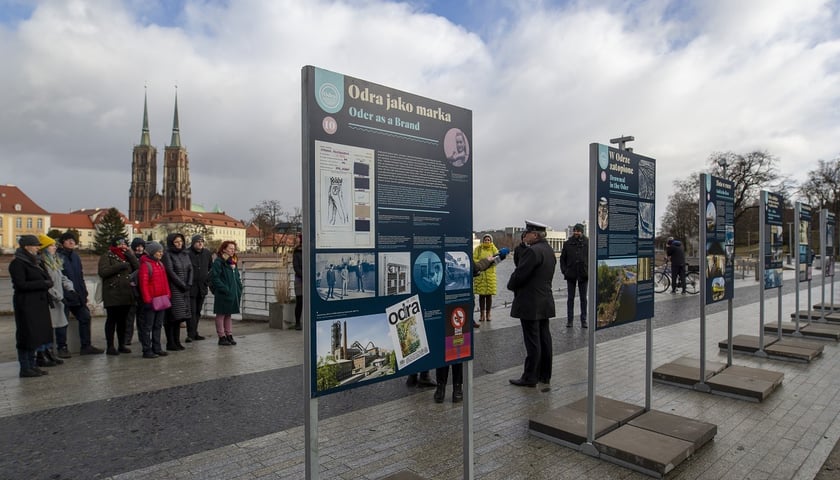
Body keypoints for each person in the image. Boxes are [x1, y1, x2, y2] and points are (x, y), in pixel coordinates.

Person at [433, 248, 508, 403]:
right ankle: (455, 389)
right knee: (455, 349)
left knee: (449, 349)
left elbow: (477, 268)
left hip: (450, 309)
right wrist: (494, 259)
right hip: (455, 310)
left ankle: (443, 389)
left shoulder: (443, 256)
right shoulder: (459, 255)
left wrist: (493, 258)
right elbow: (478, 267)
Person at [507, 220, 556, 387]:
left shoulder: (533, 252)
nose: (524, 235)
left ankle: (530, 377)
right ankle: (545, 374)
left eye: (527, 232)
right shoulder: (548, 250)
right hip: (545, 301)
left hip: (530, 303)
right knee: (544, 339)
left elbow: (520, 274)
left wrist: (510, 285)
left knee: (532, 341)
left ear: (534, 234)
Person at [10, 235, 54, 378]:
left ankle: (33, 365)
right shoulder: (18, 263)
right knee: (27, 335)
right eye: (35, 245)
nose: (37, 247)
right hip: (26, 304)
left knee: (36, 335)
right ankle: (25, 367)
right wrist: (43, 284)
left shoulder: (35, 261)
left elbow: (46, 278)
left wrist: (47, 281)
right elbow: (20, 284)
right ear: (26, 246)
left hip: (38, 303)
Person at [56, 232, 104, 356]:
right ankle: (62, 347)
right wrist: (64, 293)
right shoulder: (58, 257)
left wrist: (84, 292)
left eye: (73, 240)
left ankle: (86, 346)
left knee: (85, 317)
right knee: (62, 321)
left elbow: (80, 275)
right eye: (68, 240)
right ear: (62, 242)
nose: (72, 242)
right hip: (64, 295)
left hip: (78, 294)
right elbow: (58, 278)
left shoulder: (76, 257)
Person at [98, 237, 139, 355]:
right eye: (120, 244)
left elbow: (138, 267)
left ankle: (122, 344)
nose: (123, 246)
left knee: (123, 321)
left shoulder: (127, 256)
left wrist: (130, 255)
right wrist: (120, 266)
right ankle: (110, 346)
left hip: (126, 292)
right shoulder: (107, 256)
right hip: (113, 293)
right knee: (112, 320)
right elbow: (103, 272)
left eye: (124, 244)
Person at [40, 234, 71, 367]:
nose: (54, 248)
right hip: (51, 300)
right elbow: (46, 283)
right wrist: (59, 296)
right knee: (49, 328)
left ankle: (53, 352)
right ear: (45, 248)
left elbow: (61, 277)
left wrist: (70, 288)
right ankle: (47, 352)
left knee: (60, 325)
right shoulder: (43, 263)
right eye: (52, 246)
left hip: (59, 298)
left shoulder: (55, 261)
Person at [137, 241, 170, 358]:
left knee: (158, 325)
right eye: (159, 252)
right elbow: (143, 284)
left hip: (161, 300)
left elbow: (165, 282)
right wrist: (147, 299)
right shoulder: (146, 265)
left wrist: (167, 295)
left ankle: (157, 347)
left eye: (161, 251)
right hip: (151, 301)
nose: (161, 253)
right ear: (152, 252)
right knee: (148, 326)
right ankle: (147, 349)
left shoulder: (160, 264)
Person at [162, 233, 193, 351]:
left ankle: (177, 341)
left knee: (180, 317)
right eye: (176, 242)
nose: (179, 244)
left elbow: (190, 269)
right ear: (171, 243)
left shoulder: (185, 254)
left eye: (181, 241)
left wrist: (189, 283)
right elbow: (170, 271)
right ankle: (171, 342)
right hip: (174, 289)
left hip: (185, 290)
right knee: (172, 317)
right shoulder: (168, 255)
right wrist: (182, 284)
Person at [210, 241, 243, 346]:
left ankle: (229, 335)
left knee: (228, 314)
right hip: (223, 292)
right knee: (221, 314)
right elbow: (215, 278)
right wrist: (224, 288)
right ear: (224, 249)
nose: (233, 250)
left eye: (234, 248)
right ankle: (221, 336)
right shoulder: (219, 262)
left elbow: (237, 276)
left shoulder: (233, 262)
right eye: (230, 248)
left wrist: (239, 287)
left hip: (233, 292)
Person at [559, 223, 588, 328]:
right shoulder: (567, 243)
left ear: (582, 231)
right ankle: (569, 320)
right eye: (575, 231)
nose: (576, 232)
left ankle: (583, 320)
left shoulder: (588, 242)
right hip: (571, 274)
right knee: (570, 298)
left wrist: (588, 270)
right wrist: (564, 271)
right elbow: (562, 259)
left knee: (583, 299)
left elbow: (591, 258)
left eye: (578, 231)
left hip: (583, 274)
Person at [187, 234, 212, 341]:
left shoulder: (206, 253)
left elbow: (211, 267)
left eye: (202, 241)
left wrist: (207, 280)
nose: (200, 243)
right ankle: (190, 334)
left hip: (202, 287)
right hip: (190, 287)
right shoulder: (187, 253)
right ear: (193, 243)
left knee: (197, 311)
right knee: (191, 311)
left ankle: (195, 332)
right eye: (198, 241)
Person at [473, 234, 500, 325]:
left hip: (490, 275)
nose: (487, 241)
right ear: (483, 241)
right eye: (485, 240)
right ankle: (481, 314)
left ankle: (488, 314)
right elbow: (474, 259)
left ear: (491, 241)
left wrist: (490, 263)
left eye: (488, 240)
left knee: (489, 296)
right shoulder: (478, 249)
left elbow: (497, 259)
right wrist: (482, 263)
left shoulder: (494, 249)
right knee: (481, 296)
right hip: (480, 274)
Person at [126, 237, 147, 347]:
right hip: (131, 291)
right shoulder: (129, 258)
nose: (139, 249)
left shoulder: (146, 258)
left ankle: (142, 336)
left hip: (142, 291)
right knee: (130, 317)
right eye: (137, 247)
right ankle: (127, 338)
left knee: (142, 317)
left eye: (141, 246)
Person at [292, 234, 303, 330]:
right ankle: (297, 322)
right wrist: (304, 275)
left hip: (307, 280)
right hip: (300, 280)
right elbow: (296, 267)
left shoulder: (308, 251)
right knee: (299, 302)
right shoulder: (296, 253)